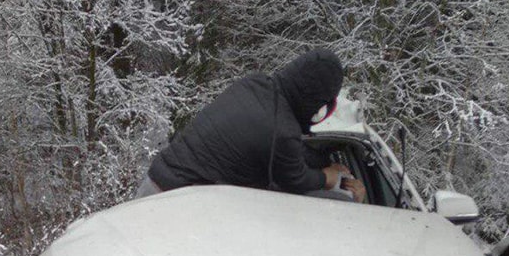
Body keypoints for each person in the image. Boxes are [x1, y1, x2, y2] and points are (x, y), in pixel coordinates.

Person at [136, 48, 366, 202]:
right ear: (317, 102)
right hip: (176, 202)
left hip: (155, 184)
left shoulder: (253, 84)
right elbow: (295, 180)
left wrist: (322, 162)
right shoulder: (282, 131)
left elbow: (284, 149)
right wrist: (329, 177)